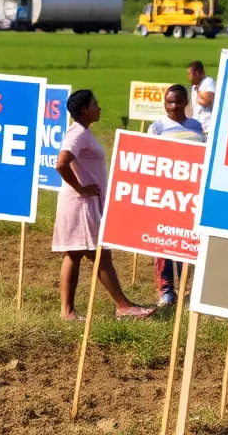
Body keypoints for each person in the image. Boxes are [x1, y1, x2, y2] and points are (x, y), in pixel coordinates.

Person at [53, 89, 154, 321]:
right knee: (100, 254)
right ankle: (124, 306)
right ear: (85, 110)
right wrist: (81, 189)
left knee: (75, 254)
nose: (100, 108)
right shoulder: (77, 133)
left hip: (83, 202)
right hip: (81, 203)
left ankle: (68, 313)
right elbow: (61, 164)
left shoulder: (83, 132)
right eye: (96, 104)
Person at [149, 84, 203, 306]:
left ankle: (185, 287)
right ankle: (166, 291)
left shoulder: (196, 127)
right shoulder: (157, 128)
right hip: (164, 196)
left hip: (189, 197)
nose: (173, 106)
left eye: (177, 101)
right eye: (169, 102)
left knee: (185, 242)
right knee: (163, 243)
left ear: (186, 103)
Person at [186, 61, 215, 136]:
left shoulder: (208, 82)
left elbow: (206, 102)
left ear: (198, 73)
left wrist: (199, 91)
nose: (189, 77)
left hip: (208, 126)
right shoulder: (194, 87)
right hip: (198, 127)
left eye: (190, 74)